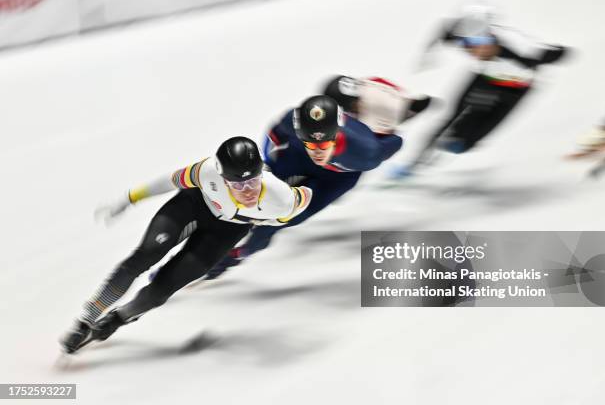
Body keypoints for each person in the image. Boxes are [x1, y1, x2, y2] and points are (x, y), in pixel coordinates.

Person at [61, 136, 312, 354]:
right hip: (192, 206)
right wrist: (129, 199)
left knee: (162, 289)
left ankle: (118, 319)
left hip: (227, 230)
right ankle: (87, 318)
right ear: (223, 179)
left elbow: (308, 196)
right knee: (144, 256)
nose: (247, 191)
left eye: (252, 182)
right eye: (237, 184)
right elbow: (170, 181)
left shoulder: (281, 199)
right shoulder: (207, 172)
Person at [201, 90, 430, 281]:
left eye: (323, 144)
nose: (318, 151)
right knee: (255, 193)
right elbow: (275, 133)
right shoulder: (294, 121)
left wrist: (388, 129)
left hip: (336, 178)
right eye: (311, 142)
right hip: (298, 157)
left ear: (337, 135)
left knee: (283, 217)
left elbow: (397, 141)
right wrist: (268, 165)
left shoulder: (366, 153)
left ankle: (237, 255)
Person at [391, 2, 569, 177]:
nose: (471, 52)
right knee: (450, 119)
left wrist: (549, 56)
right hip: (485, 79)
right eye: (465, 46)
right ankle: (413, 165)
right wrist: (429, 54)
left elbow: (560, 52)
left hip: (515, 89)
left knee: (476, 131)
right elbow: (444, 30)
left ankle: (463, 142)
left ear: (490, 39)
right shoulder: (462, 35)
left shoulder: (522, 49)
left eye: (476, 46)